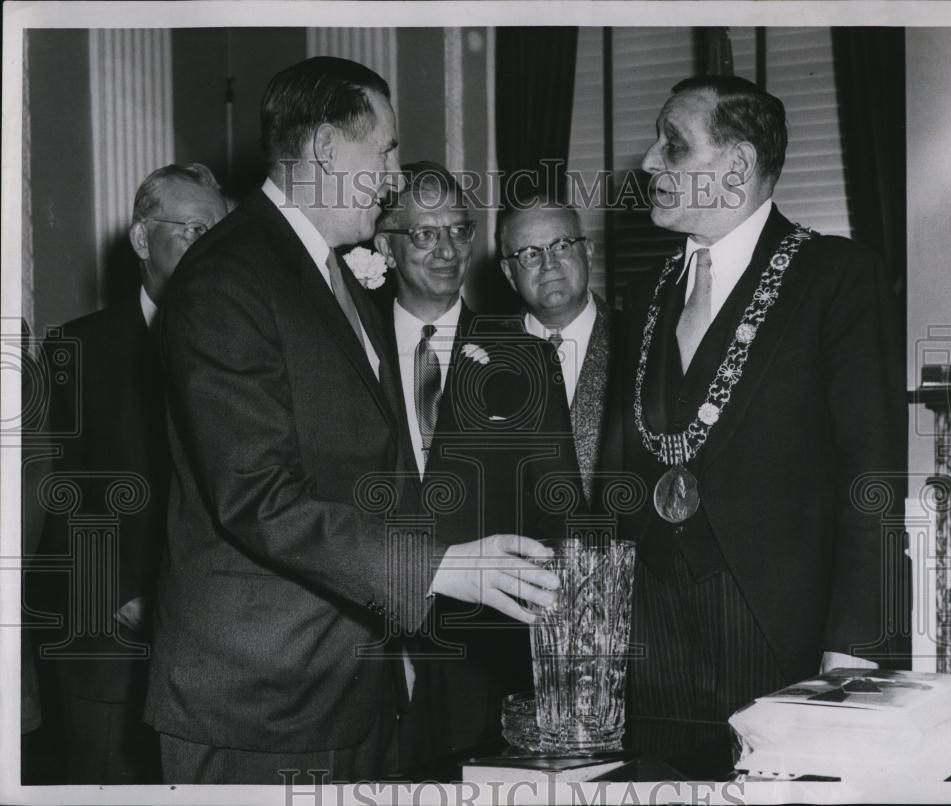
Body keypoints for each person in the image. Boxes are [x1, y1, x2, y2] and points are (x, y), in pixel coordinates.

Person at [145, 58, 560, 785]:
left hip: (346, 689)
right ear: (330, 150)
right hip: (260, 704)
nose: (395, 175)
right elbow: (257, 498)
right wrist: (437, 568)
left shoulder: (331, 274)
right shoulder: (227, 278)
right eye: (387, 149)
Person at [604, 74, 907, 778]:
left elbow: (874, 471)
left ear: (736, 166)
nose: (648, 162)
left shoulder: (836, 275)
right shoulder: (647, 290)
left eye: (672, 146)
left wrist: (855, 646)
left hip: (782, 636)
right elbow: (626, 465)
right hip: (652, 640)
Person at [373, 163, 579, 774]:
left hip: (477, 653)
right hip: (362, 642)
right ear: (385, 245)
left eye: (460, 232)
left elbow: (559, 509)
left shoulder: (524, 357)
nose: (447, 251)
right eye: (424, 234)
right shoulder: (346, 347)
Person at [33, 163, 226, 784]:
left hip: (219, 652)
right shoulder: (77, 349)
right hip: (110, 646)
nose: (210, 252)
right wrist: (119, 592)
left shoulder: (244, 347)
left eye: (219, 235)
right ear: (143, 241)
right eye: (193, 231)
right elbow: (57, 492)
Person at [499, 198, 617, 503]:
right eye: (529, 254)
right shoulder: (480, 355)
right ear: (509, 274)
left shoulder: (639, 340)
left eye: (561, 245)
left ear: (588, 253)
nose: (548, 264)